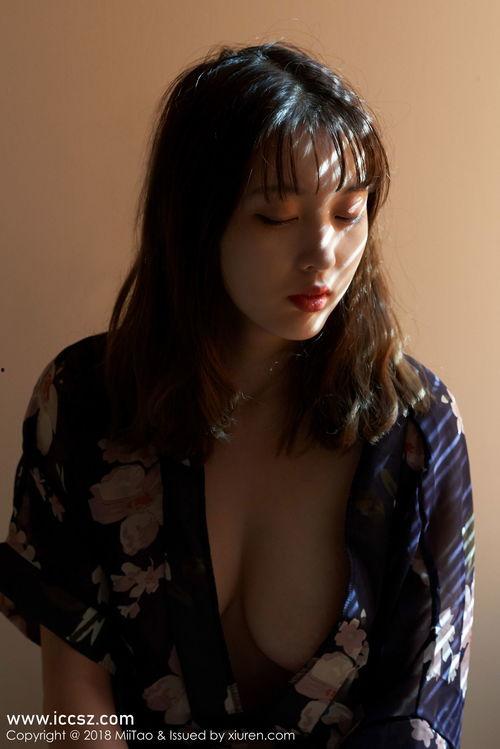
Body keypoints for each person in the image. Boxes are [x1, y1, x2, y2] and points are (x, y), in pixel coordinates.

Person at [0, 41, 474, 748]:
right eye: (275, 217)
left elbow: (418, 717)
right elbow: (75, 706)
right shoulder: (86, 400)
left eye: (349, 213)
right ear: (196, 220)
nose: (323, 254)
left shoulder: (413, 428)